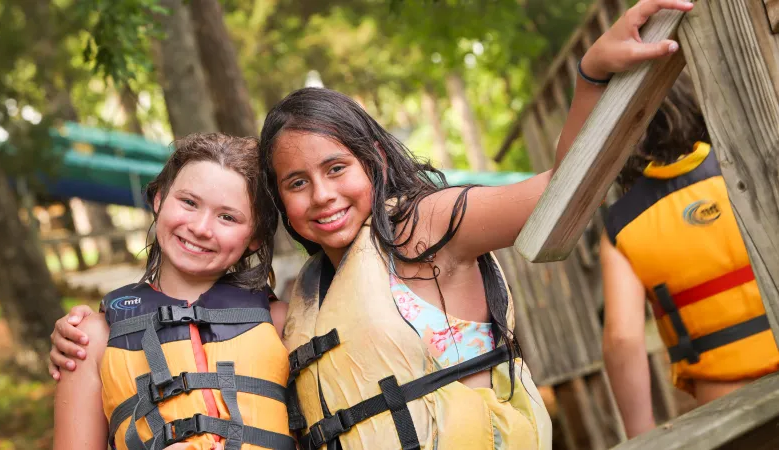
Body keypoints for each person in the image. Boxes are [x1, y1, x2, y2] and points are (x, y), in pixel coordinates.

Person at [50, 1, 696, 448]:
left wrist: (589, 75)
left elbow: (561, 193)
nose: (322, 196)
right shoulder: (299, 298)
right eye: (295, 184)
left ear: (377, 160)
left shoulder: (425, 230)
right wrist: (89, 328)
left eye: (337, 169)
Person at [52, 134, 294, 450]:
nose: (201, 228)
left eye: (227, 217)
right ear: (159, 200)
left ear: (256, 236)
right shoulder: (91, 338)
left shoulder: (282, 323)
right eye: (189, 202)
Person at [600, 73, 779, 438]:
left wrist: (641, 434)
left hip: (724, 398)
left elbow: (622, 337)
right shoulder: (755, 169)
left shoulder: (621, 224)